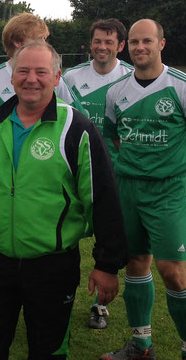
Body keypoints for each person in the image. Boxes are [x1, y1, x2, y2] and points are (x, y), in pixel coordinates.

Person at [0, 40, 129, 359]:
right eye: (23, 70)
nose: (31, 78)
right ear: (12, 77)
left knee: (47, 350)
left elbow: (103, 198)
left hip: (52, 264)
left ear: (57, 76)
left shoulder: (76, 128)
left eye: (41, 71)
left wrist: (107, 265)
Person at [0, 12, 85, 341]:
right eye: (42, 39)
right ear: (19, 43)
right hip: (0, 180)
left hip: (43, 175)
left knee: (36, 246)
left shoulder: (52, 76)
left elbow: (73, 119)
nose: (47, 46)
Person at [101, 19, 186, 360]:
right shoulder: (116, 91)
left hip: (170, 189)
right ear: (127, 46)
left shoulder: (179, 86)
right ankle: (141, 345)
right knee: (135, 262)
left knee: (173, 272)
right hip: (128, 189)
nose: (140, 47)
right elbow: (113, 134)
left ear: (161, 44)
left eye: (147, 41)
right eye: (134, 42)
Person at [63, 18, 133, 329]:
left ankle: (99, 306)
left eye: (109, 42)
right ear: (90, 43)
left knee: (109, 238)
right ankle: (57, 296)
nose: (102, 47)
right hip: (72, 171)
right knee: (65, 234)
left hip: (114, 173)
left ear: (120, 45)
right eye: (97, 41)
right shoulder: (71, 77)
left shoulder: (132, 77)